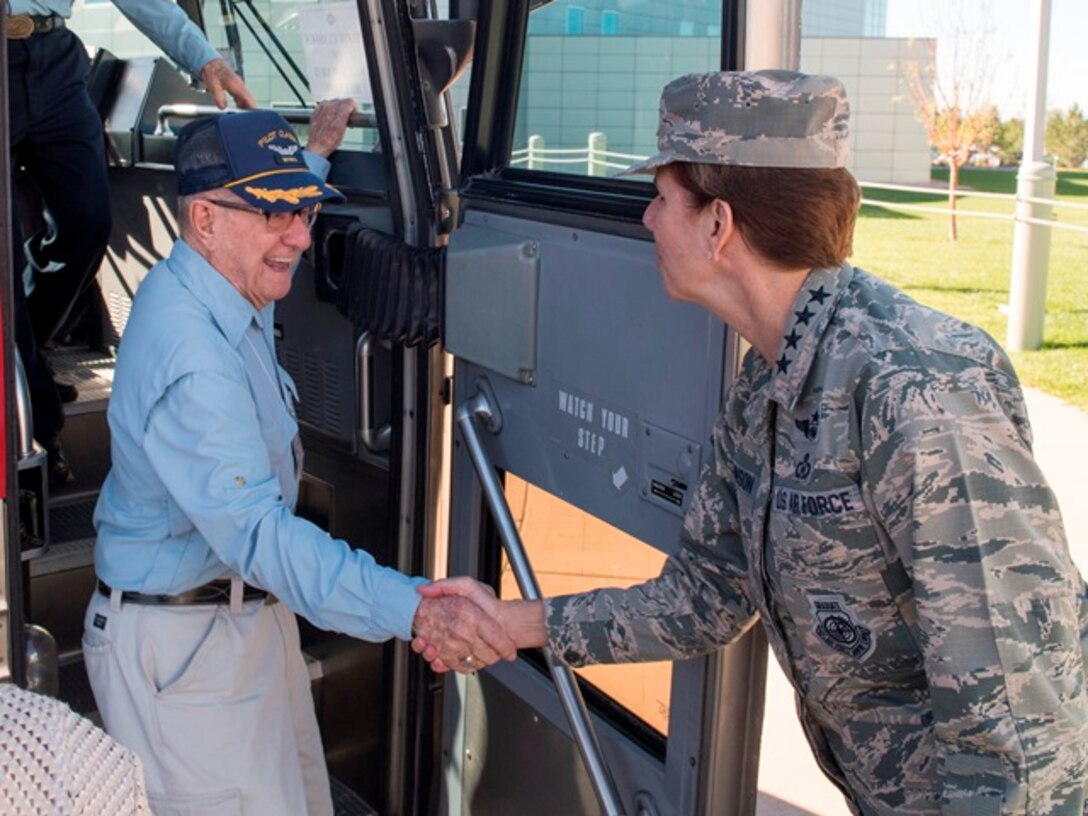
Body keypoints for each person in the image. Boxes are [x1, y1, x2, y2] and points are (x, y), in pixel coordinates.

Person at [416, 71, 1088, 814]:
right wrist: (512, 624)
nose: (646, 221)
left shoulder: (913, 392)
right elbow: (705, 596)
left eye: (663, 198)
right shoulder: (763, 385)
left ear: (717, 225)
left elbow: (1018, 720)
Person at [81, 107, 514, 816]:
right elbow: (261, 537)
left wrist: (311, 157)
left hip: (239, 621)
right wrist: (414, 612)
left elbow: (272, 242)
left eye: (305, 211)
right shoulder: (192, 359)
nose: (301, 236)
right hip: (183, 647)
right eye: (276, 212)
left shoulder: (225, 283)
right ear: (203, 220)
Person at [7, 0, 256, 486]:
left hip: (54, 60)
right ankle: (36, 424)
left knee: (88, 222)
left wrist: (203, 57)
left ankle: (24, 359)